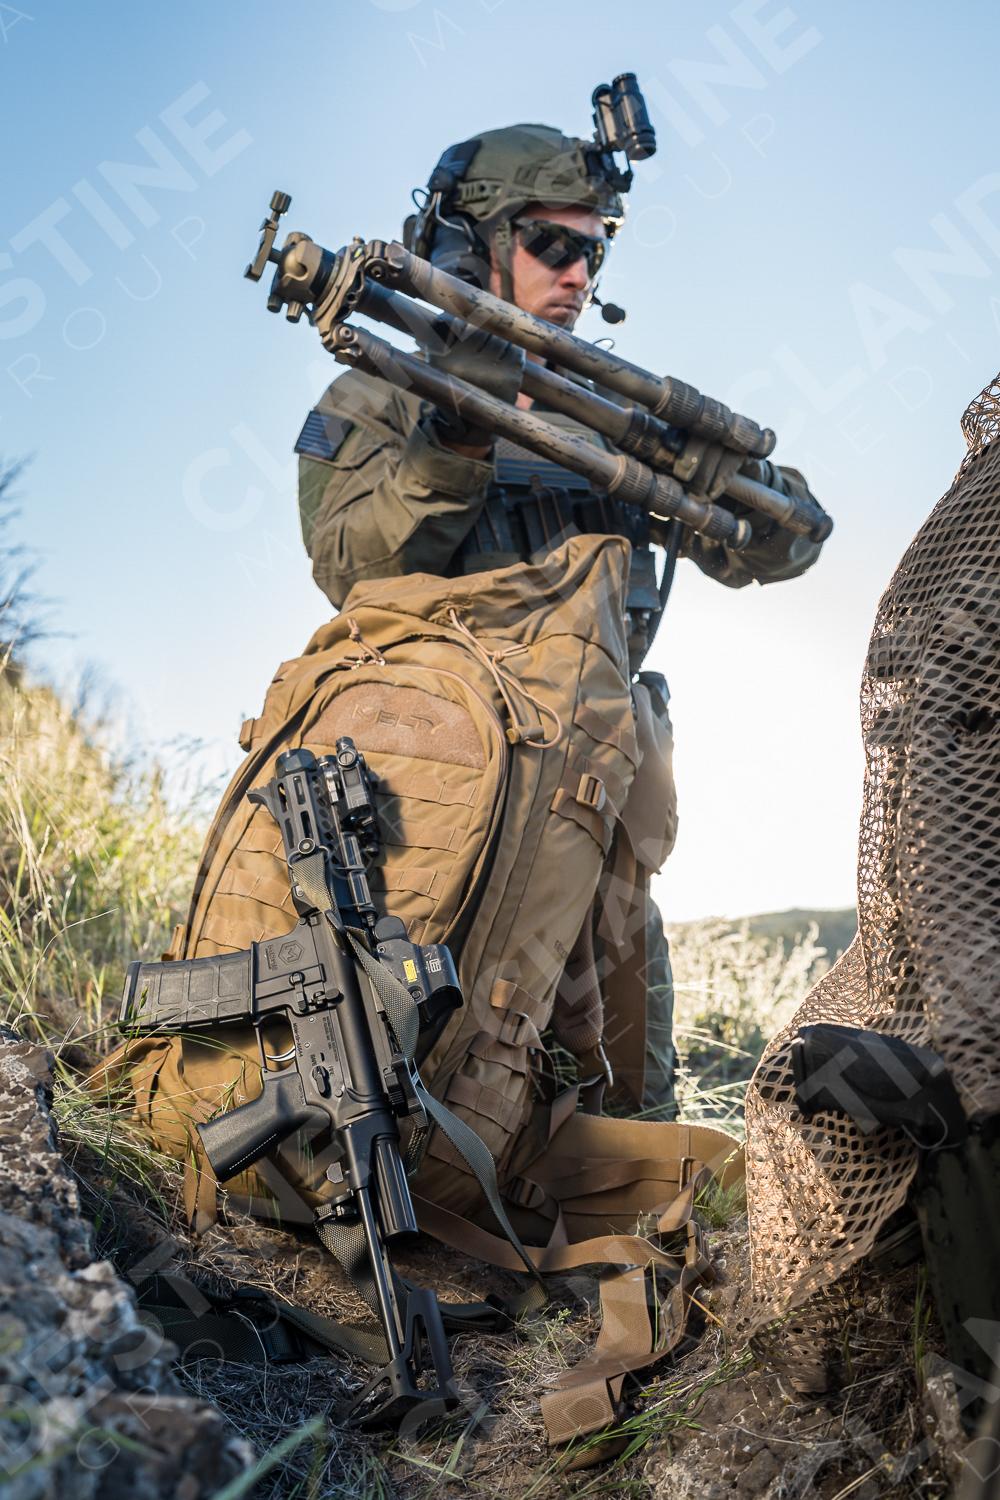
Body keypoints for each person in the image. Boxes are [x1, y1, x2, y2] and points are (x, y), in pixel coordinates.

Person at [295, 122, 826, 1118]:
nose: (578, 273)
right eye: (551, 244)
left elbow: (786, 545)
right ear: (471, 247)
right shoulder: (376, 396)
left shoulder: (611, 417)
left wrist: (732, 474)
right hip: (437, 800)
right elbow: (353, 571)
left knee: (625, 1114)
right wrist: (455, 436)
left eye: (594, 249)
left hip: (599, 806)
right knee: (401, 1085)